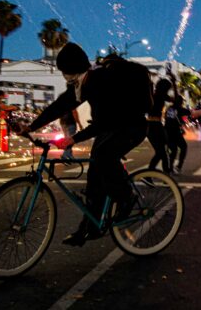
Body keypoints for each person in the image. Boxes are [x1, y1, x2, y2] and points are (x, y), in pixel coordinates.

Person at [22, 43, 153, 247]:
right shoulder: (81, 84)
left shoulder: (99, 81)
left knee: (104, 157)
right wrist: (32, 126)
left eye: (65, 72)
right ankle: (89, 227)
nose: (65, 76)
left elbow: (103, 121)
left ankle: (126, 197)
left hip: (132, 126)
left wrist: (74, 138)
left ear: (73, 70)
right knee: (94, 176)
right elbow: (60, 106)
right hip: (112, 126)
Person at [147, 77, 173, 173]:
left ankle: (153, 174)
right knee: (162, 152)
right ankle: (164, 173)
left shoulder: (155, 95)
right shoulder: (159, 96)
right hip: (154, 126)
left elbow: (174, 100)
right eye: (168, 89)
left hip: (153, 125)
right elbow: (175, 99)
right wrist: (174, 82)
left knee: (161, 152)